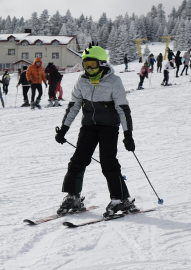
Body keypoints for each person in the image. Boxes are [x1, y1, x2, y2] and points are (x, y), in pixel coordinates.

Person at [54, 42, 138, 217]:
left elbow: (123, 109)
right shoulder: (82, 81)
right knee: (78, 160)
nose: (89, 69)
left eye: (92, 65)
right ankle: (73, 196)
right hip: (88, 126)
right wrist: (64, 129)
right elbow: (74, 105)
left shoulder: (114, 81)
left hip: (109, 127)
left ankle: (120, 199)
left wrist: (127, 134)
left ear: (102, 63)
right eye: (86, 65)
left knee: (108, 163)